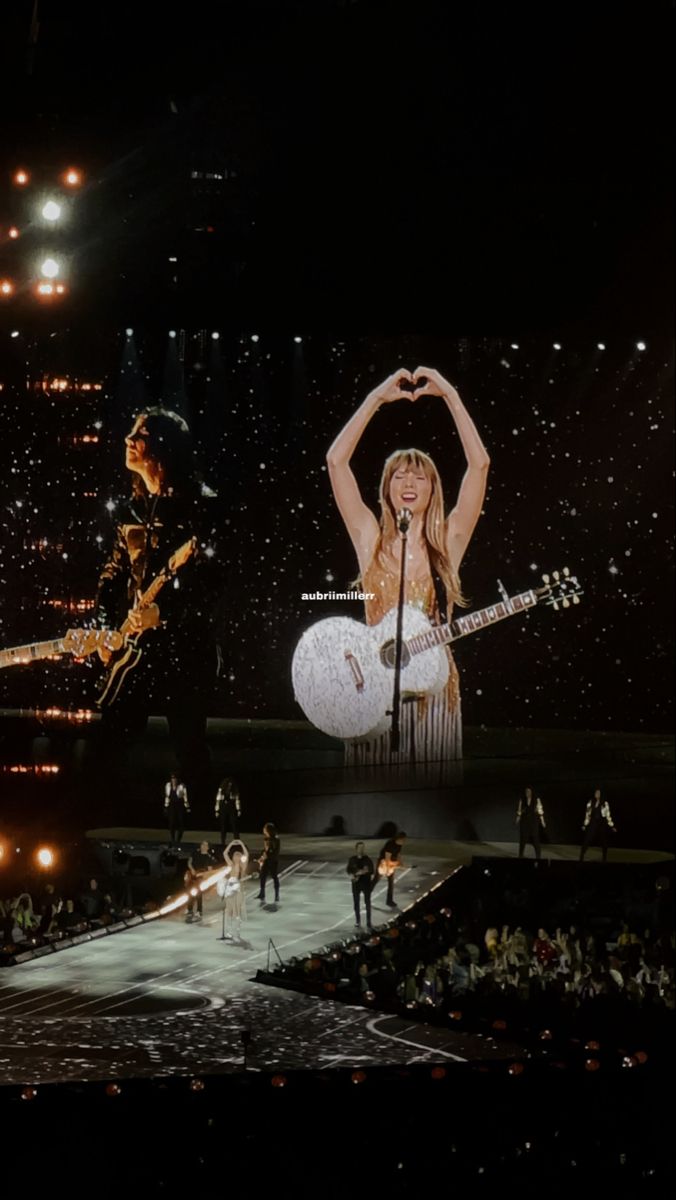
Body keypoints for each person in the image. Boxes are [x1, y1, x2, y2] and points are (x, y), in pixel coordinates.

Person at [326, 366, 489, 768]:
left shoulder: (447, 543)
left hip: (434, 691)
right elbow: (335, 461)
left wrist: (449, 393)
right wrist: (376, 399)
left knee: (428, 802)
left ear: (433, 490)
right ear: (386, 488)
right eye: (399, 475)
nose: (409, 481)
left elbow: (480, 465)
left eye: (420, 475)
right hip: (372, 689)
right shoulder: (369, 538)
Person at [95, 406, 220, 804]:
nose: (128, 441)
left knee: (190, 748)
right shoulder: (130, 509)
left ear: (163, 447)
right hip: (134, 651)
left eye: (141, 435)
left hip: (185, 651)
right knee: (108, 744)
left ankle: (203, 834)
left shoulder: (203, 506)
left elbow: (217, 587)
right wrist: (102, 626)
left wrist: (164, 614)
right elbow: (112, 576)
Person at [220, 839, 249, 941]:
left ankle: (237, 933)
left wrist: (241, 843)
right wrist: (231, 844)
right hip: (230, 889)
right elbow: (224, 853)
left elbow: (246, 853)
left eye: (239, 855)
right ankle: (228, 932)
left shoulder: (243, 866)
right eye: (235, 854)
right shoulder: (230, 864)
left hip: (239, 890)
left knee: (237, 912)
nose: (237, 856)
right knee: (229, 911)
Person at [185, 839, 217, 922]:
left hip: (201, 878)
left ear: (208, 847)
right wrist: (192, 869)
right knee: (189, 893)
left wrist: (204, 876)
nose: (203, 846)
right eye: (202, 844)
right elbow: (189, 862)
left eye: (205, 845)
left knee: (198, 894)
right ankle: (190, 910)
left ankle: (199, 911)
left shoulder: (209, 857)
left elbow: (210, 871)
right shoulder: (195, 853)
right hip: (192, 876)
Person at [580, 788, 617, 862]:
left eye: (598, 793)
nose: (596, 794)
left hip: (602, 823)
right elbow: (587, 815)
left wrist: (612, 826)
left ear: (601, 794)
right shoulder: (591, 802)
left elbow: (608, 815)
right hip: (593, 823)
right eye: (596, 792)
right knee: (588, 839)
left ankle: (604, 858)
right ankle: (581, 856)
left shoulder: (605, 803)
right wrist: (585, 825)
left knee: (604, 840)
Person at [374, 831, 407, 909]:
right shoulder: (390, 844)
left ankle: (389, 900)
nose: (404, 841)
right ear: (399, 839)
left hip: (391, 863)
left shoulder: (399, 845)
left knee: (391, 883)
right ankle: (367, 895)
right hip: (383, 863)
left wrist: (401, 864)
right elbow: (387, 858)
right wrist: (388, 869)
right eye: (403, 840)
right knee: (376, 879)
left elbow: (398, 854)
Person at [346, 841, 374, 929]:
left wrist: (362, 872)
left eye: (363, 848)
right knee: (356, 902)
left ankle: (369, 921)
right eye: (359, 848)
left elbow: (371, 870)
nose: (361, 849)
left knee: (367, 902)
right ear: (356, 849)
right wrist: (352, 875)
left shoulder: (367, 859)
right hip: (356, 884)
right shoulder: (352, 859)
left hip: (365, 884)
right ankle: (357, 921)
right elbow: (348, 870)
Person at [516, 786, 546, 860]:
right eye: (526, 791)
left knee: (536, 839)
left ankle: (538, 857)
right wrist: (517, 819)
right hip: (524, 822)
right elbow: (519, 811)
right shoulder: (522, 800)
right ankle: (520, 855)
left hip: (534, 822)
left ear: (532, 792)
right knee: (523, 839)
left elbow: (540, 810)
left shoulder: (536, 799)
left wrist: (542, 821)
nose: (527, 793)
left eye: (529, 791)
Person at [256, 822, 280, 905]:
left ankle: (277, 895)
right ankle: (262, 893)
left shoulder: (275, 840)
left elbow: (271, 851)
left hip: (273, 860)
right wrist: (262, 857)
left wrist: (263, 857)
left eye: (265, 829)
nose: (263, 830)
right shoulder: (266, 839)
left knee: (274, 876)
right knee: (262, 876)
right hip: (267, 860)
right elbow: (265, 850)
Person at [214, 777, 241, 848]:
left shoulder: (234, 790)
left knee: (234, 824)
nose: (229, 785)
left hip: (231, 808)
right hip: (223, 808)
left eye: (230, 784)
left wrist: (238, 809)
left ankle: (237, 841)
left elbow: (237, 800)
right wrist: (216, 810)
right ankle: (223, 842)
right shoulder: (221, 790)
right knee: (223, 826)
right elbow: (218, 800)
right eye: (228, 784)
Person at [165, 774, 190, 845]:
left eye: (175, 779)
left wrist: (187, 806)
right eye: (172, 779)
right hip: (172, 805)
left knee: (181, 822)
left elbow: (185, 796)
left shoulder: (182, 786)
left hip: (180, 804)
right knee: (171, 822)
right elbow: (167, 796)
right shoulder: (168, 785)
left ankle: (179, 839)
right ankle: (173, 839)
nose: (174, 780)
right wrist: (166, 806)